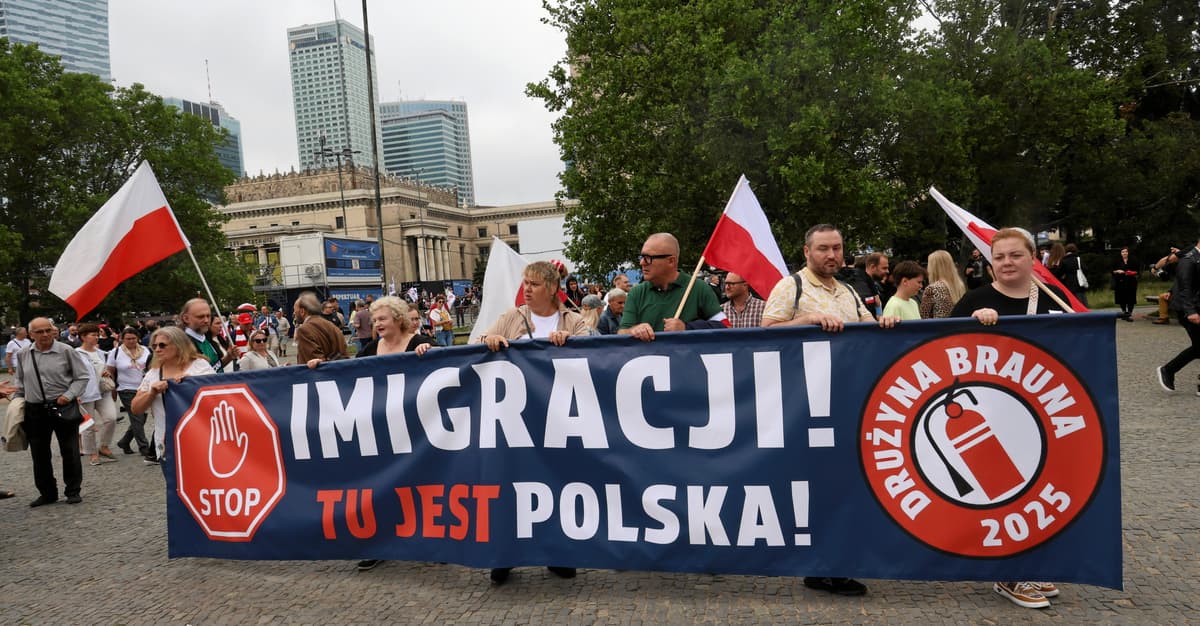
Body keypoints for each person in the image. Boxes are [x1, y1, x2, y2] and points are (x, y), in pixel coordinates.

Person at [759, 225, 896, 596]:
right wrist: (803, 321)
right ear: (807, 252)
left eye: (837, 248)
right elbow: (765, 331)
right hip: (805, 407)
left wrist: (884, 324)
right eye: (823, 249)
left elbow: (868, 330)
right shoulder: (791, 286)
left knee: (841, 485)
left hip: (846, 401)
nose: (831, 255)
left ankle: (832, 562)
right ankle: (821, 565)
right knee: (816, 487)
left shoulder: (850, 290)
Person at [949, 227, 1068, 608]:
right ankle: (1008, 573)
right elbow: (941, 354)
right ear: (989, 262)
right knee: (1005, 494)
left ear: (1033, 258)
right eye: (998, 257)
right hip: (991, 417)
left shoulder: (1054, 297)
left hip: (1044, 415)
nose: (1006, 263)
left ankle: (1029, 563)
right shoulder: (976, 300)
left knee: (1036, 491)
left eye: (1015, 255)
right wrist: (970, 324)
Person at [474, 261, 587, 584]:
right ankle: (506, 555)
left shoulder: (573, 320)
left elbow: (596, 355)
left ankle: (557, 552)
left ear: (552, 288)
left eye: (534, 284)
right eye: (525, 283)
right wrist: (489, 342)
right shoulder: (512, 317)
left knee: (556, 486)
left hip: (560, 419)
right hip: (516, 421)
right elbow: (480, 345)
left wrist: (573, 342)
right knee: (511, 487)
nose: (527, 289)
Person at [7, 318, 92, 506]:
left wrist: (68, 396)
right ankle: (47, 493)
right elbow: (19, 382)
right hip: (35, 409)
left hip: (62, 406)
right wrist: (17, 402)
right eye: (39, 332)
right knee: (39, 453)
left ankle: (72, 491)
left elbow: (82, 377)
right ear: (31, 335)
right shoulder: (23, 354)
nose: (45, 335)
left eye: (48, 330)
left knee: (69, 450)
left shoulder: (66, 351)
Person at [131, 326, 216, 465]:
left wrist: (191, 384)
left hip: (202, 438)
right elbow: (135, 408)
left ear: (179, 345)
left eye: (162, 345)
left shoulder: (200, 366)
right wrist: (152, 393)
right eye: (154, 346)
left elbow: (217, 397)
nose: (157, 349)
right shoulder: (153, 373)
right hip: (167, 443)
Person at [620, 233, 726, 341]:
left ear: (671, 261)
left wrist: (687, 328)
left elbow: (724, 327)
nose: (642, 262)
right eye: (642, 257)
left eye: (648, 258)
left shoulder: (698, 288)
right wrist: (634, 330)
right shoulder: (636, 293)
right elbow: (621, 333)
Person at [1156, 237, 1200, 394]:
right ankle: (1168, 370)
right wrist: (1191, 311)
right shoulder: (1188, 259)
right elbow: (1185, 288)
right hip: (1188, 310)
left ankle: (1169, 370)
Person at [75, 323, 118, 467]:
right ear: (83, 337)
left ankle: (104, 446)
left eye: (97, 334)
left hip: (102, 390)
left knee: (111, 418)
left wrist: (106, 372)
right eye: (93, 335)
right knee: (88, 425)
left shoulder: (100, 352)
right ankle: (92, 453)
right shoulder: (76, 353)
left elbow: (103, 368)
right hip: (85, 392)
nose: (97, 337)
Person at [109, 328, 151, 456]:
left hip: (143, 388)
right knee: (137, 417)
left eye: (133, 338)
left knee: (142, 417)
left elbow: (151, 366)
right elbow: (110, 371)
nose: (131, 341)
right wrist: (113, 389)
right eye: (128, 339)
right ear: (122, 339)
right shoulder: (115, 352)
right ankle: (144, 447)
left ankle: (124, 441)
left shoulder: (146, 350)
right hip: (125, 388)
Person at [295, 292, 349, 368]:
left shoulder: (303, 330)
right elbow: (343, 353)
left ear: (302, 311)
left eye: (295, 310)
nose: (294, 313)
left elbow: (313, 363)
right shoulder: (331, 325)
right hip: (339, 373)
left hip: (318, 378)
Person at [179, 298, 232, 373]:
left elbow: (214, 368)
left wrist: (229, 356)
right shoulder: (180, 343)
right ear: (186, 318)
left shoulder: (206, 338)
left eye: (208, 316)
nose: (206, 320)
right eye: (200, 317)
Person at [920, 250, 967, 319]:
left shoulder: (932, 288)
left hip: (937, 328)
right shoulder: (960, 286)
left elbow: (923, 317)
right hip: (956, 327)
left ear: (933, 267)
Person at [1111, 247, 1138, 322]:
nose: (1124, 253)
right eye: (1123, 252)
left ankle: (1129, 313)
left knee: (1131, 298)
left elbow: (1137, 271)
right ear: (1121, 253)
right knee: (1121, 297)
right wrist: (1117, 271)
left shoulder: (1133, 260)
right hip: (1120, 281)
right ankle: (1124, 312)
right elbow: (1112, 270)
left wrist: (1131, 272)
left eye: (1126, 252)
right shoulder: (1116, 260)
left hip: (1131, 282)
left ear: (1128, 252)